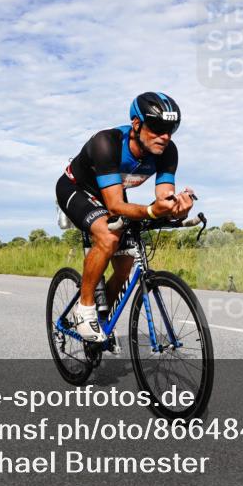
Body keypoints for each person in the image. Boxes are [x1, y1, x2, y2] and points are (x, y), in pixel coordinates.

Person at [55, 92, 194, 341]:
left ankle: (101, 318)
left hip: (113, 193)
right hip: (76, 190)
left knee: (124, 267)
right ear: (137, 124)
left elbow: (163, 199)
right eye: (158, 127)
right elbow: (116, 205)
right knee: (108, 238)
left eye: (171, 129)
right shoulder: (106, 143)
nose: (165, 136)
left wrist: (176, 209)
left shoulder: (168, 151)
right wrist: (151, 211)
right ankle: (83, 309)